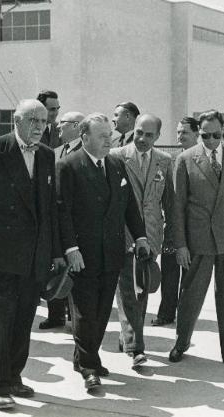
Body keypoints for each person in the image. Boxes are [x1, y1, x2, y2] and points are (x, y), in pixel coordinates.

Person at [0, 99, 64, 410]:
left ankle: (14, 377)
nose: (39, 126)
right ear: (16, 122)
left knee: (23, 320)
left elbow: (50, 209)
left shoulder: (47, 155)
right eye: (33, 119)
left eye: (44, 121)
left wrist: (55, 252)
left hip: (35, 256)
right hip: (0, 254)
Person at [56, 112, 149, 390]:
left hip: (112, 253)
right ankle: (88, 367)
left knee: (100, 311)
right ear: (84, 138)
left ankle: (85, 358)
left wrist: (141, 236)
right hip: (82, 255)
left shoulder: (116, 164)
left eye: (110, 135)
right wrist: (71, 249)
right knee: (85, 313)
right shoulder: (68, 166)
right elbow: (63, 213)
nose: (109, 140)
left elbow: (129, 205)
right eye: (102, 136)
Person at [170, 110, 224, 368]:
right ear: (198, 133)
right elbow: (178, 207)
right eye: (205, 135)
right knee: (191, 296)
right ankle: (181, 343)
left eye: (216, 135)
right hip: (199, 239)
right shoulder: (185, 159)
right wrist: (181, 244)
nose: (210, 140)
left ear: (223, 132)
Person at [111, 114, 174, 367]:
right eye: (139, 132)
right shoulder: (116, 156)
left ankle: (126, 336)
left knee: (142, 287)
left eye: (149, 135)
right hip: (124, 233)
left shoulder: (165, 161)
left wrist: (171, 237)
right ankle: (136, 346)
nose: (142, 139)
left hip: (151, 235)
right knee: (128, 288)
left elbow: (169, 202)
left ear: (158, 136)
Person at [38, 110, 86, 331]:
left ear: (76, 126)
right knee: (54, 264)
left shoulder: (84, 152)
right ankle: (55, 314)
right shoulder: (55, 151)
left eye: (63, 124)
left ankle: (74, 317)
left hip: (74, 219)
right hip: (52, 216)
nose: (58, 128)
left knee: (74, 269)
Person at [153, 116, 199, 327]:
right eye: (179, 132)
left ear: (196, 135)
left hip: (194, 226)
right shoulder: (169, 160)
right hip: (172, 224)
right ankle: (166, 313)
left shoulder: (201, 159)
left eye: (185, 132)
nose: (180, 136)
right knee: (169, 272)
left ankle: (186, 314)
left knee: (190, 274)